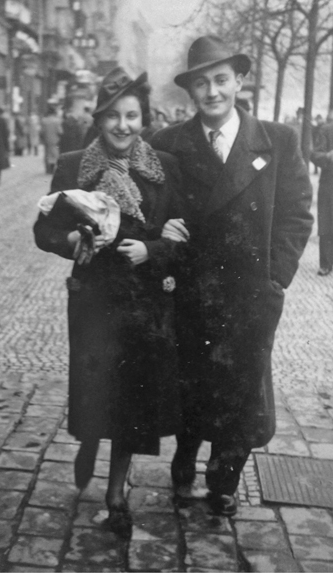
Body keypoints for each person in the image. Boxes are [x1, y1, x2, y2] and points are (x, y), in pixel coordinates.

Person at [152, 34, 313, 516]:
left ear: (240, 80)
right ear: (190, 91)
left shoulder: (277, 140)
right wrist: (161, 231)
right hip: (190, 292)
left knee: (241, 391)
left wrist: (275, 278)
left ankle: (224, 481)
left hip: (249, 296)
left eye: (221, 80)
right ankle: (183, 469)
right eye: (201, 84)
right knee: (190, 385)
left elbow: (297, 213)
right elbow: (148, 207)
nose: (213, 92)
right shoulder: (167, 144)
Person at [33, 67, 183, 536]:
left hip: (144, 305)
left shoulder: (164, 168)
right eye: (113, 116)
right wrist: (71, 236)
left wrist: (152, 250)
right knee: (96, 390)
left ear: (144, 118)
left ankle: (116, 492)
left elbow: (181, 235)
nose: (123, 125)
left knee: (132, 400)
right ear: (99, 120)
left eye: (132, 115)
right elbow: (44, 231)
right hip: (94, 303)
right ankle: (87, 442)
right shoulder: (73, 164)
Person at [311, 115, 333, 276]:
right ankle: (326, 263)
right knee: (326, 224)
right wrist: (328, 156)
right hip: (329, 184)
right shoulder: (327, 130)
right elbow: (315, 155)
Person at [40, 105, 62, 174]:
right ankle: (53, 167)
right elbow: (60, 131)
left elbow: (42, 131)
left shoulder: (44, 120)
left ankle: (48, 169)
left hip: (47, 140)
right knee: (55, 154)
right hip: (55, 140)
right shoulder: (57, 121)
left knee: (47, 155)